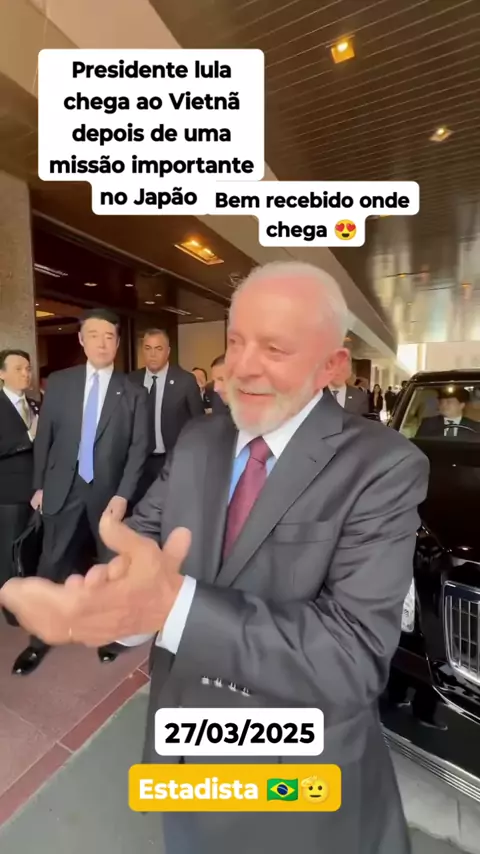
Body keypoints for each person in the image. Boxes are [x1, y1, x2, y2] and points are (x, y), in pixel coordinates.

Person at [0, 261, 429, 854]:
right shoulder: (201, 440)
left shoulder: (384, 466)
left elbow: (351, 655)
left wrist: (174, 606)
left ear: (332, 364)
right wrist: (96, 601)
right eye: (236, 341)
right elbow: (144, 545)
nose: (243, 366)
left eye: (274, 348)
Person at [11, 308, 149, 676]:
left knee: (110, 568)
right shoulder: (61, 382)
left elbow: (139, 449)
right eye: (94, 335)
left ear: (117, 343)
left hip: (109, 496)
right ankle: (38, 639)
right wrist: (39, 485)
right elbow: (45, 437)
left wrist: (123, 495)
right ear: (81, 340)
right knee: (50, 563)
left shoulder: (134, 392)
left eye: (109, 336)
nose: (102, 343)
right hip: (62, 488)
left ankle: (109, 635)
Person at [130, 329, 204, 496]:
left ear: (168, 351)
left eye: (158, 348)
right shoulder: (132, 380)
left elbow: (198, 424)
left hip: (173, 460)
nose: (153, 354)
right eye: (148, 348)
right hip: (140, 464)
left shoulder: (185, 381)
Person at [0, 350, 40, 588]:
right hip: (9, 495)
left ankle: (27, 598)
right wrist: (28, 437)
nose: (25, 373)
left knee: (31, 552)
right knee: (8, 553)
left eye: (28, 368)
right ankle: (8, 599)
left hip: (37, 494)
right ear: (2, 374)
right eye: (18, 369)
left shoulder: (36, 405)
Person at [416, 387, 480, 439]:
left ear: (461, 405)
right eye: (442, 402)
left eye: (449, 402)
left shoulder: (474, 427)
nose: (444, 405)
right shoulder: (428, 423)